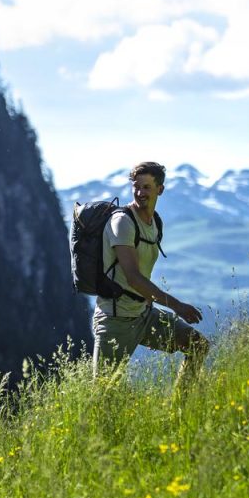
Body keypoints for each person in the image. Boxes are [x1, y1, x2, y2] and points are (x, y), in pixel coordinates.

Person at [93, 162, 209, 393]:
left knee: (198, 345)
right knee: (103, 393)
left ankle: (179, 409)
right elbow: (134, 278)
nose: (140, 192)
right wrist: (177, 306)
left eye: (146, 187)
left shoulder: (154, 221)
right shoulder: (122, 222)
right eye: (136, 186)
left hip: (143, 314)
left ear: (160, 190)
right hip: (116, 319)